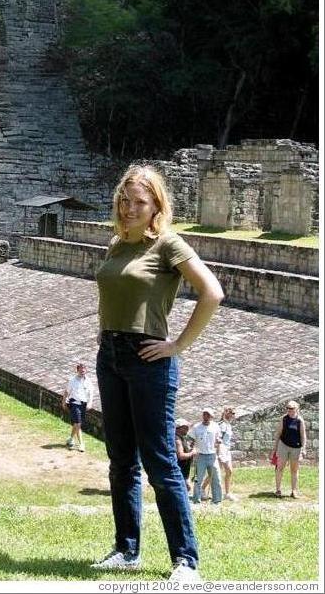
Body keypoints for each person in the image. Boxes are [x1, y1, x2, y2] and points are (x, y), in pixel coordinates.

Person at [90, 165, 224, 583]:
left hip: (149, 360)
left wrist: (177, 345)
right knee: (121, 461)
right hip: (110, 355)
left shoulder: (167, 243)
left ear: (156, 207)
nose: (129, 209)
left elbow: (212, 292)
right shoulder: (117, 244)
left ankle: (186, 562)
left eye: (139, 203)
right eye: (124, 201)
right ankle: (126, 550)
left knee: (161, 462)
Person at [273, 400, 307, 498]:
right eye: (287, 408)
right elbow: (278, 433)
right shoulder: (283, 419)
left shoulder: (300, 420)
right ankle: (278, 490)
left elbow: (303, 436)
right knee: (280, 468)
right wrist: (275, 448)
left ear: (296, 409)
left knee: (294, 470)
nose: (289, 410)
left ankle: (294, 491)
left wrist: (303, 449)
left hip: (296, 448)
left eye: (291, 408)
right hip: (283, 445)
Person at [190, 408, 223, 505]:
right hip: (200, 456)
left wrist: (218, 440)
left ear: (212, 417)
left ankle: (217, 500)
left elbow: (218, 437)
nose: (206, 417)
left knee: (216, 477)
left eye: (208, 415)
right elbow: (191, 440)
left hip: (212, 455)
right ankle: (196, 499)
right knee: (198, 479)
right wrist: (192, 449)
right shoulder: (196, 427)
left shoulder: (215, 426)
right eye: (204, 414)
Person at [203, 407, 236, 500]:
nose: (234, 415)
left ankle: (227, 493)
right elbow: (217, 438)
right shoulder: (221, 425)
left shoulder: (228, 424)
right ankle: (202, 489)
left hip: (226, 449)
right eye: (232, 413)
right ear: (226, 413)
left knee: (229, 471)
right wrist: (218, 451)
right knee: (215, 472)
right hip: (221, 449)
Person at [62, 362, 94, 452]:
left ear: (86, 370)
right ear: (77, 371)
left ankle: (71, 439)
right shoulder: (72, 380)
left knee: (76, 424)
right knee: (78, 424)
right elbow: (66, 392)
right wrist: (63, 402)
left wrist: (90, 402)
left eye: (84, 370)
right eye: (80, 370)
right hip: (74, 404)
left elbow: (91, 392)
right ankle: (81, 444)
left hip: (83, 405)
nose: (82, 372)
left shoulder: (88, 381)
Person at [174, 419, 197, 493]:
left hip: (184, 470)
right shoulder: (177, 439)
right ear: (179, 428)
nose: (188, 429)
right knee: (185, 489)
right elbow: (181, 456)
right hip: (180, 470)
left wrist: (190, 449)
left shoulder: (182, 438)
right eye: (185, 427)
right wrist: (192, 453)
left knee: (187, 488)